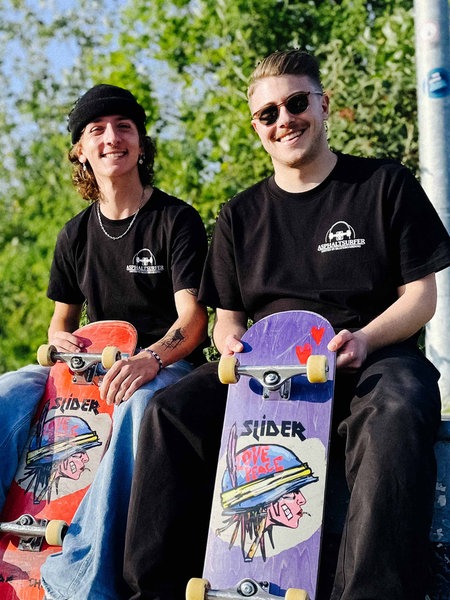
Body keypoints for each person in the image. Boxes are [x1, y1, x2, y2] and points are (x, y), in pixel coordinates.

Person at [123, 50, 450, 600]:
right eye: (268, 113)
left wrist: (367, 338)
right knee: (168, 413)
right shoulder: (239, 215)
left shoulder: (383, 184)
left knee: (398, 408)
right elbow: (228, 324)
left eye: (296, 103)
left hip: (368, 356)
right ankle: (152, 591)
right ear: (256, 127)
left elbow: (421, 298)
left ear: (323, 105)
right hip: (269, 374)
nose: (284, 120)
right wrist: (234, 349)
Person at [0, 83, 208, 599]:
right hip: (90, 369)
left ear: (140, 142)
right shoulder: (74, 235)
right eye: (97, 130)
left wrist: (150, 360)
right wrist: (62, 347)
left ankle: (81, 582)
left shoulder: (174, 219)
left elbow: (194, 320)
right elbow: (59, 325)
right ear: (81, 151)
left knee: (140, 407)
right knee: (8, 391)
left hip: (163, 367)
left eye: (124, 127)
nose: (112, 138)